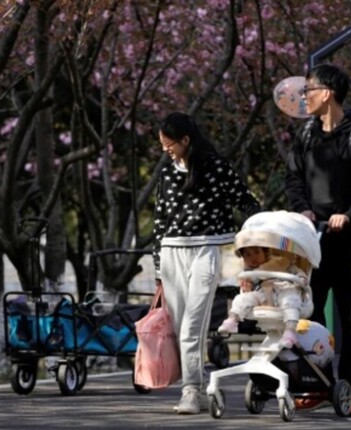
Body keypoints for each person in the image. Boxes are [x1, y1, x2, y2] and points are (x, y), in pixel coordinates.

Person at [284, 64, 351, 416]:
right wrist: (302, 209)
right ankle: (316, 385)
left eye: (309, 91)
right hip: (313, 245)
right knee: (308, 318)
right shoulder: (305, 136)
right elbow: (293, 178)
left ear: (327, 93)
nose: (304, 97)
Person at [152, 112, 260, 415]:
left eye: (169, 144)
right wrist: (158, 268)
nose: (165, 150)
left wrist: (260, 233)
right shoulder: (167, 173)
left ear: (186, 140)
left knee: (191, 326)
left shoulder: (217, 168)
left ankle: (191, 391)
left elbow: (246, 201)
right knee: (178, 326)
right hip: (172, 252)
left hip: (207, 250)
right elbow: (159, 223)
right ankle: (196, 390)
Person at [217, 246, 308, 348]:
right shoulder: (251, 273)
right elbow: (247, 287)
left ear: (265, 252)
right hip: (263, 296)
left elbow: (297, 272)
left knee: (290, 299)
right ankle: (232, 320)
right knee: (242, 298)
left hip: (282, 289)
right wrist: (247, 286)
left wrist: (301, 278)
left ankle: (290, 332)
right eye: (248, 255)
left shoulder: (281, 262)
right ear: (243, 258)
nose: (253, 257)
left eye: (257, 252)